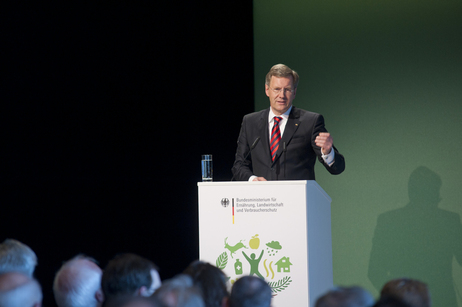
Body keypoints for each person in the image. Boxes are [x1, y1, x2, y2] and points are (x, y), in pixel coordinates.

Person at [232, 63, 345, 181]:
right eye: (277, 89)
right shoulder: (250, 122)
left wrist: (328, 152)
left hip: (297, 197)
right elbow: (239, 165)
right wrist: (252, 179)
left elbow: (338, 168)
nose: (282, 95)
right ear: (267, 90)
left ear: (294, 92)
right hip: (261, 197)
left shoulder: (310, 122)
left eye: (287, 90)